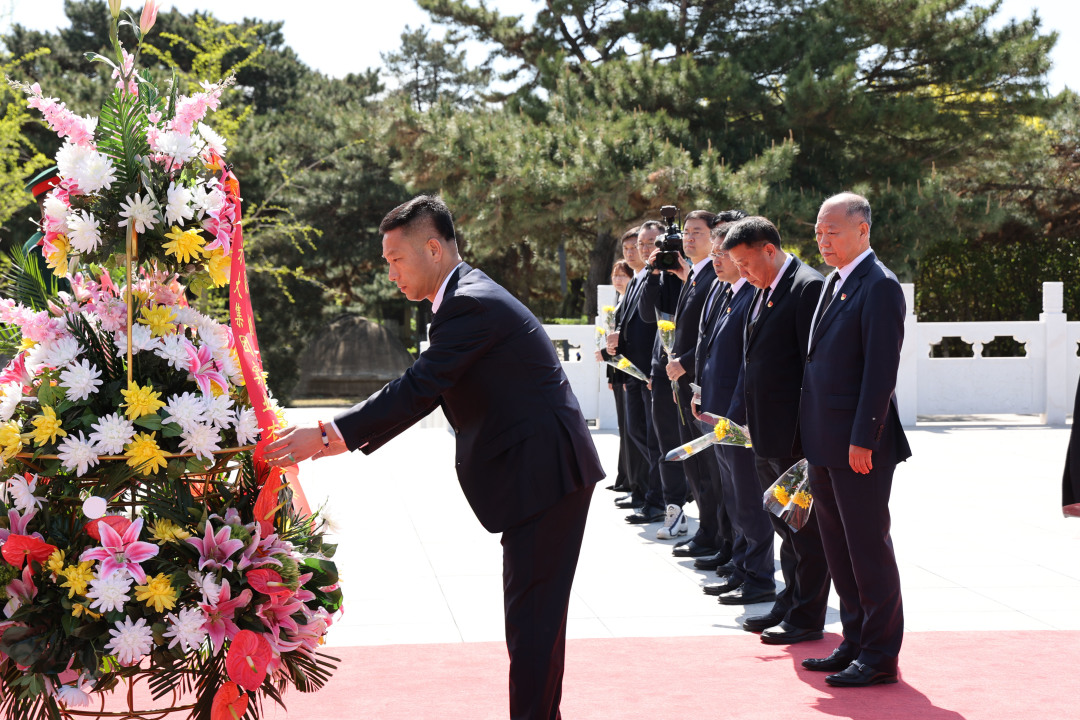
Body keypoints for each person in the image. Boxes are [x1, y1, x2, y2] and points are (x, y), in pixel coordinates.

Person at [264, 195, 604, 720]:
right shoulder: (463, 298)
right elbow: (427, 390)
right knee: (534, 619)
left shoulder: (470, 303)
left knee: (533, 620)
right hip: (541, 468)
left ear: (433, 248)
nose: (392, 273)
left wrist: (329, 434)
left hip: (545, 472)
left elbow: (419, 387)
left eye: (397, 260)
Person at [799, 193, 911, 687]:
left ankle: (881, 653)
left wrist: (864, 437)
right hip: (823, 440)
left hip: (857, 444)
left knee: (867, 547)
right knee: (837, 548)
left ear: (863, 231)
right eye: (819, 232)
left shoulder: (880, 286)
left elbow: (880, 371)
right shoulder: (833, 282)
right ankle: (854, 639)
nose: (823, 240)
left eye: (833, 232)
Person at [721, 216, 831, 645]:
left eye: (746, 263)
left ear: (769, 249)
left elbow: (812, 369)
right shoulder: (764, 289)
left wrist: (808, 440)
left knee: (806, 529)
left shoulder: (806, 287)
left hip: (793, 437)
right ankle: (791, 600)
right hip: (765, 431)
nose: (743, 273)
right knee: (785, 525)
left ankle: (807, 615)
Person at [694, 221, 777, 605]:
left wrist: (733, 413)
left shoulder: (752, 296)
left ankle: (758, 576)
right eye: (714, 252)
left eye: (722, 253)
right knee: (734, 497)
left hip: (739, 418)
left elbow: (748, 364)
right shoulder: (729, 294)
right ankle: (742, 567)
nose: (717, 259)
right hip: (720, 415)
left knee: (748, 498)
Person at [662, 210, 732, 555]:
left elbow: (712, 338)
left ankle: (717, 534)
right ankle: (708, 529)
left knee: (710, 467)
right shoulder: (694, 275)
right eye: (686, 233)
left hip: (698, 382)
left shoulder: (715, 278)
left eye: (697, 233)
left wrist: (684, 364)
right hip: (686, 384)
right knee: (696, 464)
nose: (689, 239)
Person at [608, 222, 666, 521]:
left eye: (649, 243)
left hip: (650, 371)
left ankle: (658, 498)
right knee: (636, 431)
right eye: (639, 244)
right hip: (633, 371)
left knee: (651, 437)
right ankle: (647, 491)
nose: (643, 249)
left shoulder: (661, 278)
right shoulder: (637, 279)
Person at [600, 255, 646, 504]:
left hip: (634, 373)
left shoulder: (636, 295)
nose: (618, 279)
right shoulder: (619, 300)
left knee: (635, 430)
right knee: (626, 429)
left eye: (622, 275)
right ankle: (626, 478)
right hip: (621, 372)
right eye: (615, 275)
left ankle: (636, 483)